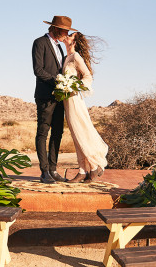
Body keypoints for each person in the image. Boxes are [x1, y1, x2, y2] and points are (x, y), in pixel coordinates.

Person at [32, 15, 76, 184]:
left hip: (60, 97)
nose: (67, 33)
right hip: (45, 95)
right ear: (56, 28)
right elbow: (38, 70)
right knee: (43, 132)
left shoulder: (60, 47)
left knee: (58, 132)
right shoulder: (39, 43)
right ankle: (44, 172)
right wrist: (57, 81)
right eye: (65, 30)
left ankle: (53, 169)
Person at [61, 32, 108, 183]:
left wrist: (74, 86)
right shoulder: (66, 57)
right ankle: (82, 170)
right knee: (76, 135)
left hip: (74, 99)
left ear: (74, 42)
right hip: (66, 100)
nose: (66, 36)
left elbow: (88, 76)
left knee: (81, 132)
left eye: (70, 35)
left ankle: (94, 166)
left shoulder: (76, 57)